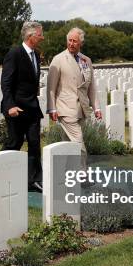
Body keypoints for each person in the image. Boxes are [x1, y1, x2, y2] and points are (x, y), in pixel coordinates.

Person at [46, 27, 102, 164]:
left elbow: (91, 87)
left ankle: (65, 173)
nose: (71, 43)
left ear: (81, 43)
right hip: (65, 108)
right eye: (69, 40)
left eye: (75, 41)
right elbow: (51, 87)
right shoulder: (58, 59)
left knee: (68, 145)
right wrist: (52, 108)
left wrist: (97, 108)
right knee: (78, 143)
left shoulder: (86, 61)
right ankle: (82, 175)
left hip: (81, 109)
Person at [1, 21, 45, 192]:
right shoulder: (15, 53)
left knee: (34, 143)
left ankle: (33, 180)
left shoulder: (36, 54)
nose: (42, 37)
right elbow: (6, 82)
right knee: (14, 142)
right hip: (16, 109)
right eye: (40, 34)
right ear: (30, 36)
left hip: (32, 108)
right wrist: (10, 105)